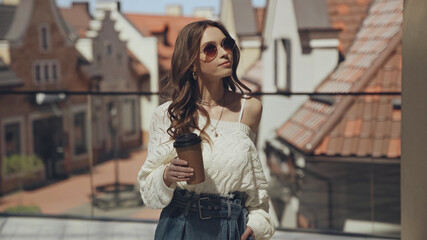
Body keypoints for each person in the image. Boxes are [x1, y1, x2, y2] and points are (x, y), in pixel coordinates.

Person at [137, 20, 275, 240]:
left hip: (231, 226)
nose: (224, 53)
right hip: (178, 225)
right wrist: (165, 175)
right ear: (192, 63)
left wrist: (257, 223)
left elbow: (254, 181)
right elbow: (149, 192)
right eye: (211, 49)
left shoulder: (249, 109)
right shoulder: (166, 115)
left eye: (227, 45)